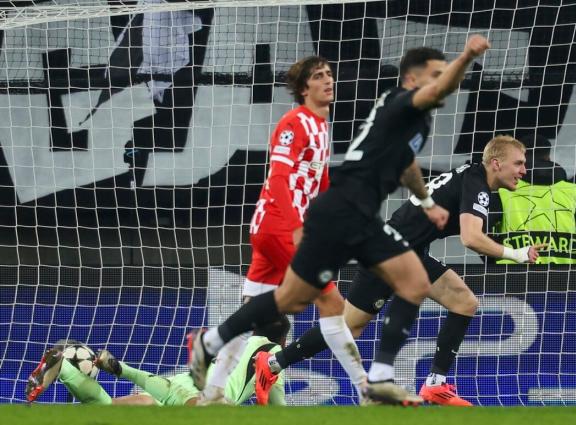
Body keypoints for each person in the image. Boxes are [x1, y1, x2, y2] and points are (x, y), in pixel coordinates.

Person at [189, 36, 492, 406]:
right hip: (338, 214)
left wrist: (427, 200)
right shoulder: (402, 102)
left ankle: (376, 381)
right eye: (436, 74)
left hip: (355, 214)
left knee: (397, 284)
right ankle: (368, 382)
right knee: (300, 300)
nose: (444, 81)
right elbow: (281, 177)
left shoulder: (411, 121)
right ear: (413, 80)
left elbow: (406, 164)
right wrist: (467, 56)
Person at [256, 135, 544, 407]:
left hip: (409, 253)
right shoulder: (477, 184)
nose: (523, 169)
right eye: (518, 163)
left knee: (464, 301)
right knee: (348, 328)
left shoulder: (473, 179)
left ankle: (435, 384)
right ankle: (272, 363)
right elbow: (471, 238)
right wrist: (516, 254)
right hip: (388, 253)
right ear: (496, 163)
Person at [190, 56, 369, 404]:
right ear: (304, 88)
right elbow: (279, 177)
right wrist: (298, 228)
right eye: (319, 76)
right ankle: (366, 389)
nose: (328, 81)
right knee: (331, 301)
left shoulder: (321, 125)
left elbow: (320, 180)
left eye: (330, 74)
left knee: (251, 314)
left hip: (277, 228)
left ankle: (213, 390)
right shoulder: (295, 122)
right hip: (279, 227)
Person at [25, 317, 289, 406]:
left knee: (131, 405)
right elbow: (279, 411)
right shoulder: (273, 352)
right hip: (208, 400)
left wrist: (122, 369)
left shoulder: (233, 343)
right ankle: (69, 372)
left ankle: (66, 370)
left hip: (175, 384)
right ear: (284, 340)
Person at [491, 133, 576, 264]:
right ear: (548, 157)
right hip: (565, 279)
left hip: (510, 279)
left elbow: (481, 238)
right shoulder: (573, 192)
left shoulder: (502, 191)